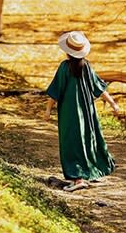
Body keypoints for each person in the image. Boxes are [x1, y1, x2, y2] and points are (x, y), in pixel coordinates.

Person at [44, 30, 119, 192]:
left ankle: (78, 179)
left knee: (71, 142)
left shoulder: (65, 68)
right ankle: (91, 171)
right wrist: (113, 104)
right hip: (87, 112)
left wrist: (48, 110)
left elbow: (56, 91)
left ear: (67, 52)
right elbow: (100, 88)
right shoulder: (86, 66)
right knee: (87, 139)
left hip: (69, 113)